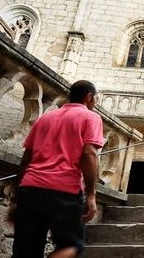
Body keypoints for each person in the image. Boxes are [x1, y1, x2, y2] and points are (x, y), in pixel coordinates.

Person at [7, 80, 104, 258]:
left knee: (25, 252)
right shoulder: (91, 117)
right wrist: (91, 195)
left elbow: (25, 160)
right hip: (63, 189)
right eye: (96, 99)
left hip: (29, 188)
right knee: (71, 246)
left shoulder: (45, 117)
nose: (95, 103)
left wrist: (15, 198)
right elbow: (89, 154)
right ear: (89, 97)